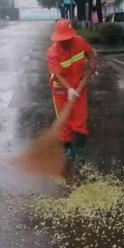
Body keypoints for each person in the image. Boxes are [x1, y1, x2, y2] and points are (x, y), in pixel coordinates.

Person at [47, 19, 97, 159]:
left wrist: (93, 63)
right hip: (60, 90)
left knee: (80, 120)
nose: (64, 42)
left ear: (72, 36)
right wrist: (69, 89)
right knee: (65, 122)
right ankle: (68, 149)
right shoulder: (53, 53)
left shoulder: (80, 41)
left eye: (67, 39)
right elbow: (56, 74)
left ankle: (80, 150)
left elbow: (90, 53)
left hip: (79, 87)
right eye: (61, 40)